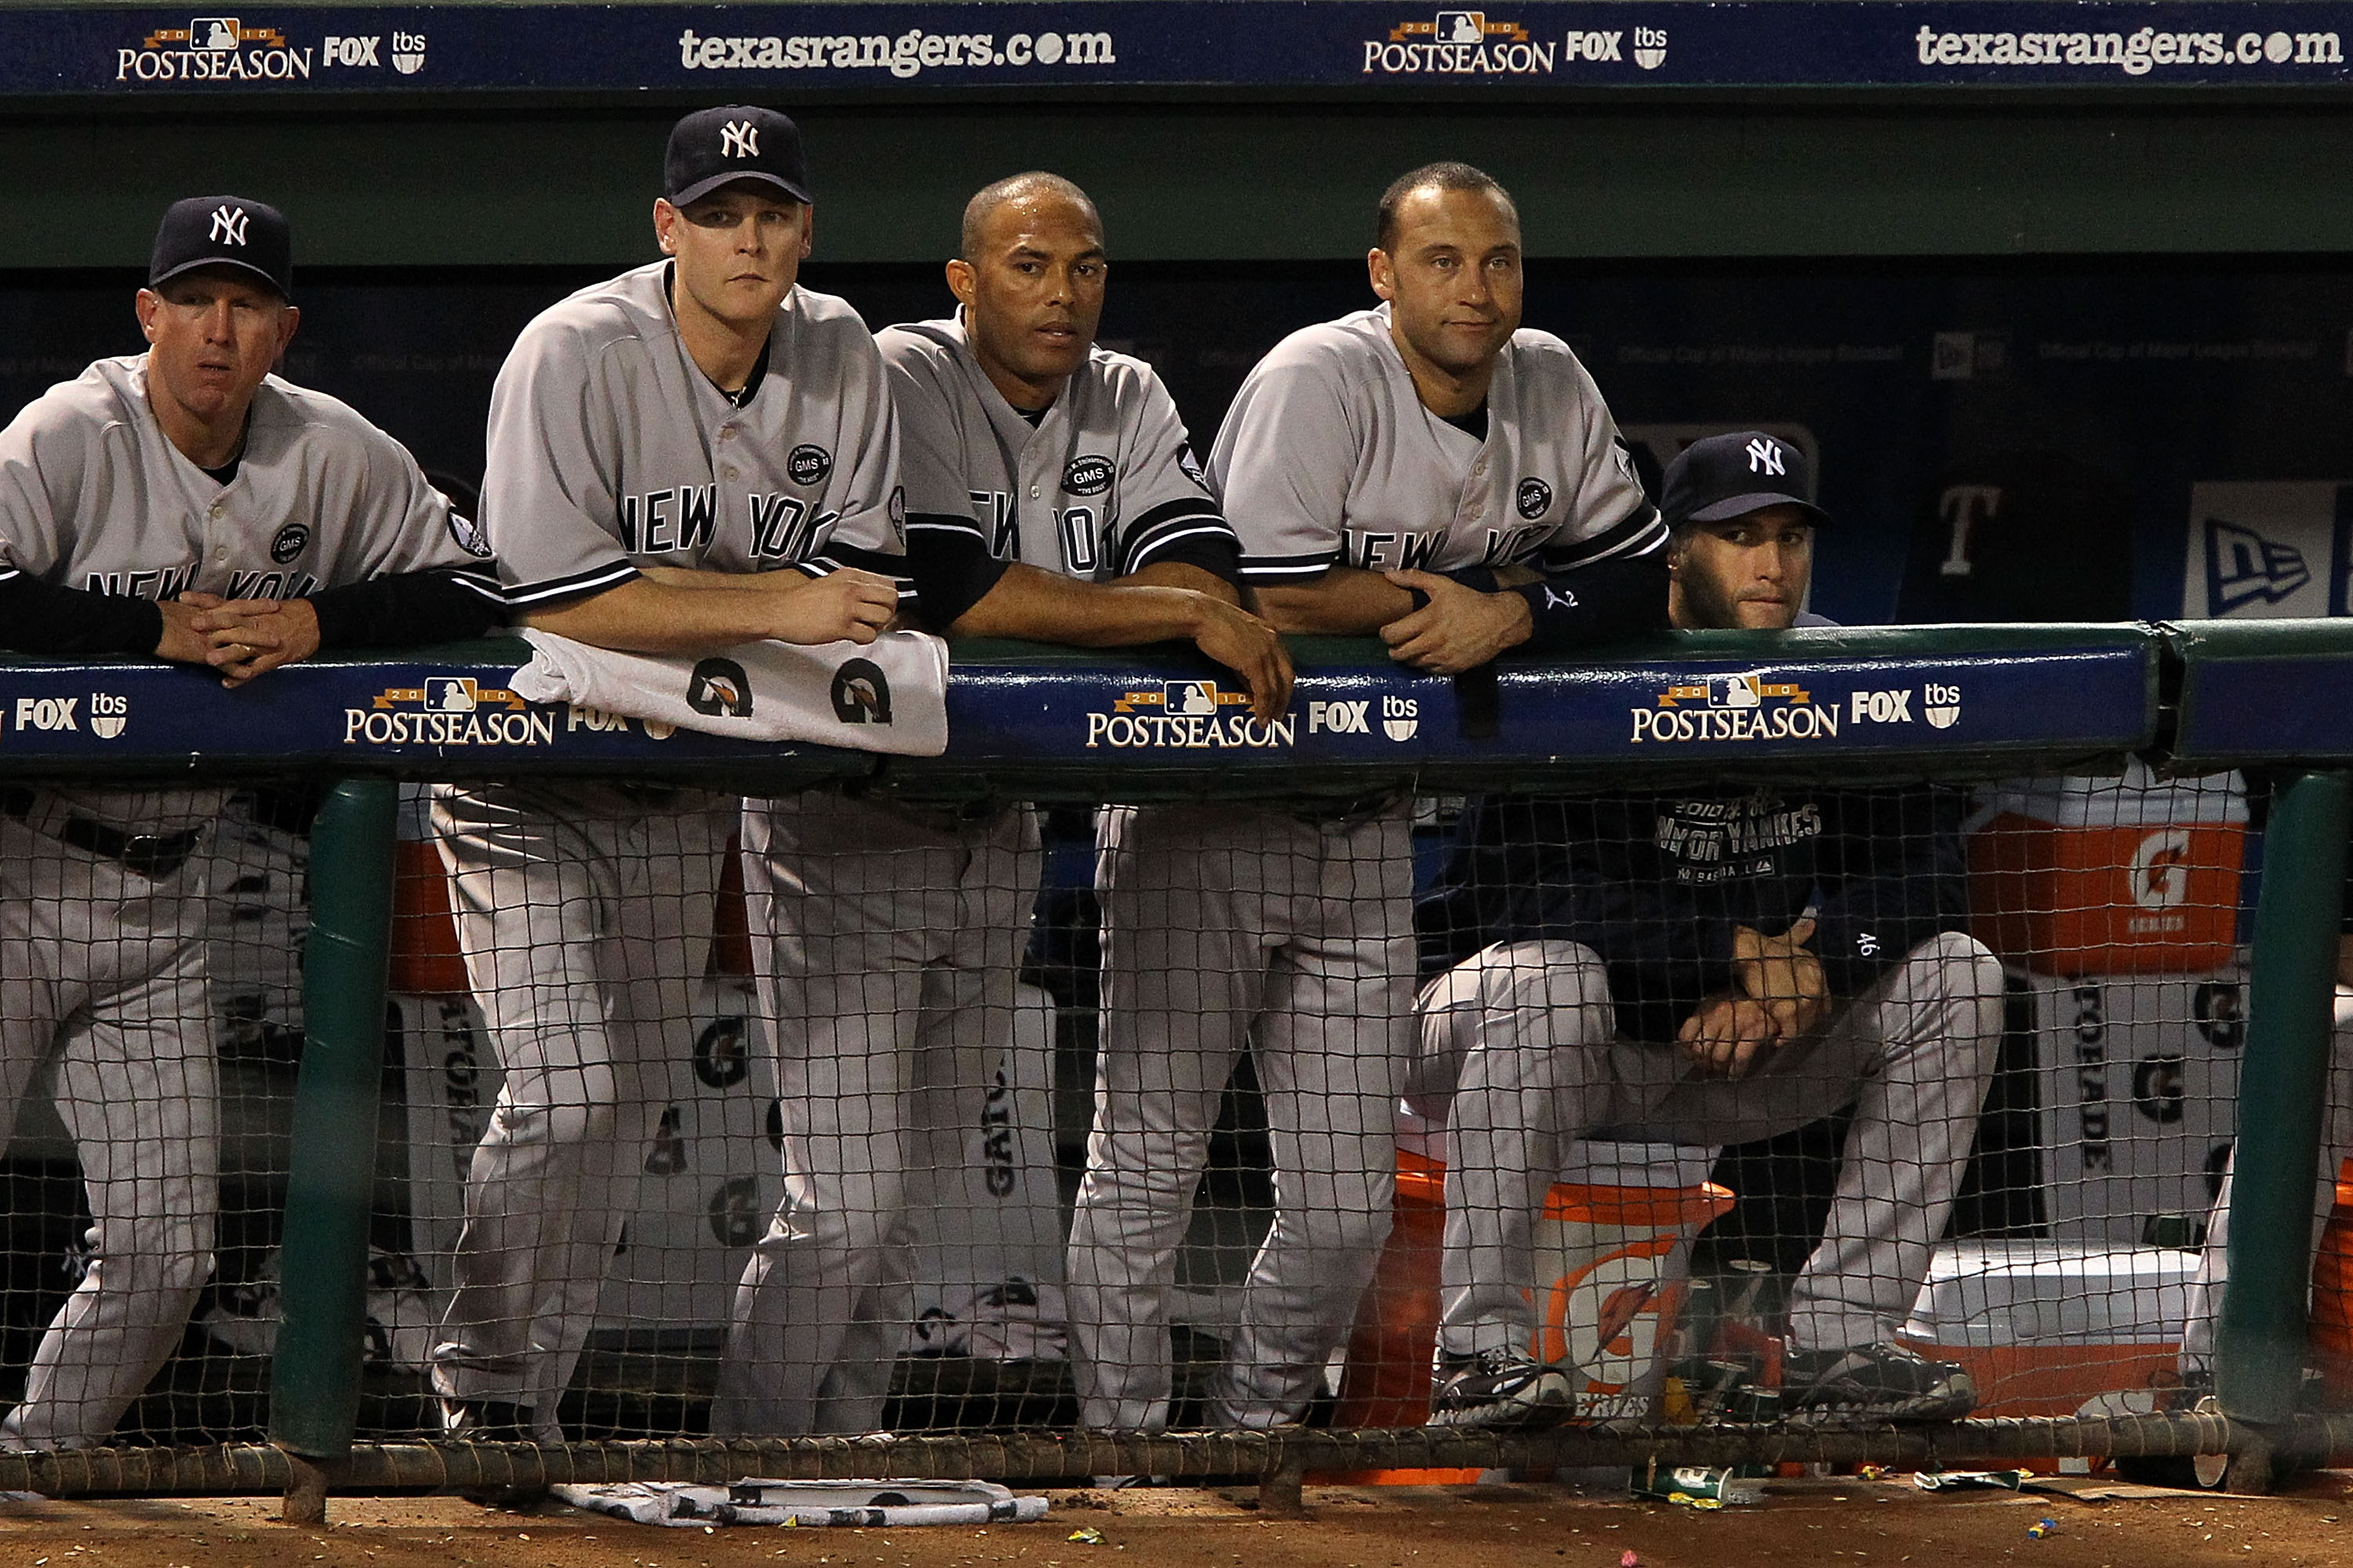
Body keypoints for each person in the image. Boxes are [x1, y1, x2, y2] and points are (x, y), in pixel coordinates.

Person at [1064, 161, 1668, 1434]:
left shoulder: (1549, 379)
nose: (1476, 288)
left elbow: (1639, 570)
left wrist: (1513, 609)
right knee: (1150, 1163)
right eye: (1443, 260)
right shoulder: (1317, 378)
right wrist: (1426, 604)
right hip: (1209, 810)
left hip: (1365, 821)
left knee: (1345, 1201)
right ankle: (1121, 1451)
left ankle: (1252, 1434)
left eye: (1497, 260)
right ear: (1385, 274)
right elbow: (1259, 589)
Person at [708, 171, 1288, 1436]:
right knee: (843, 1197)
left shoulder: (1125, 390)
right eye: (1029, 265)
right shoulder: (894, 369)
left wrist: (1185, 598)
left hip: (1002, 828)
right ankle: (746, 1447)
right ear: (967, 280)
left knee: (911, 1200)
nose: (1062, 293)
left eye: (1084, 268)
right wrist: (1175, 613)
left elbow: (1209, 562)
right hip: (850, 821)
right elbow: (951, 585)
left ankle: (835, 1446)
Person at [428, 105, 909, 1442]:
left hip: (686, 796)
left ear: (805, 229)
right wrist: (774, 608)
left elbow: (863, 596)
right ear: (667, 228)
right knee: (570, 1086)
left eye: (771, 213)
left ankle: (527, 1411)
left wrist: (731, 607)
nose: (748, 237)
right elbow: (558, 600)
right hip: (524, 788)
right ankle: (476, 1381)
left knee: (624, 1111)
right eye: (719, 213)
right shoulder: (574, 351)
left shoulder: (843, 352)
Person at [0, 194, 505, 1447]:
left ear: (282, 329)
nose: (217, 331)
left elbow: (480, 579)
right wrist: (143, 626)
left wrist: (317, 622)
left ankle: (31, 1460)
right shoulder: (71, 430)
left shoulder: (328, 449)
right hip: (19, 865)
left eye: (245, 305)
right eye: (194, 302)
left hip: (171, 900)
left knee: (168, 1250)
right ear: (148, 315)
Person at [1417, 430, 2004, 1428]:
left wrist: (1808, 967)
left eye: (1789, 536)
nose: (1773, 564)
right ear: (1674, 550)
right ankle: (1479, 1354)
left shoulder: (1835, 675)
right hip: (1516, 1041)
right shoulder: (1592, 673)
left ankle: (1841, 1338)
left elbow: (1930, 873)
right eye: (1739, 537)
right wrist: (1725, 961)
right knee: (1550, 978)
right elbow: (1524, 899)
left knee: (1959, 975)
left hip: (1732, 1048)